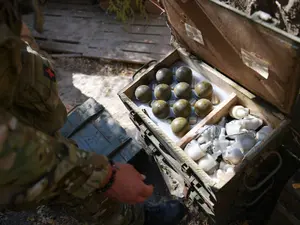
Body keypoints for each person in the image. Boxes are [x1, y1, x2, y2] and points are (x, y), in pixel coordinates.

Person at [0, 1, 186, 225]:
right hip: (16, 155)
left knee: (64, 174)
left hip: (26, 120)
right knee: (66, 181)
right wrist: (106, 177)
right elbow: (11, 152)